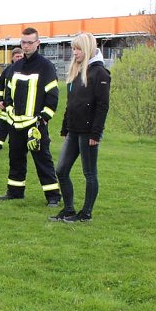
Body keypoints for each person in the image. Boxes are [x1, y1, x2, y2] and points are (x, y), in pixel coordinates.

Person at [0, 27, 61, 206]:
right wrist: (8, 106)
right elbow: (8, 89)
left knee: (43, 161)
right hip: (16, 123)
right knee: (15, 158)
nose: (26, 46)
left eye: (30, 42)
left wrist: (44, 118)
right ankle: (15, 192)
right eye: (23, 42)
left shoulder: (45, 66)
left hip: (35, 124)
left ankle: (53, 197)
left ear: (37, 43)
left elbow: (53, 96)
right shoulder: (15, 66)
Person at [50, 32, 110, 223]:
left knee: (89, 173)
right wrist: (65, 126)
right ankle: (68, 209)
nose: (74, 53)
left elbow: (102, 106)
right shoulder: (76, 71)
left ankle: (86, 213)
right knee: (61, 170)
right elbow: (71, 102)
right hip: (74, 130)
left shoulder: (100, 73)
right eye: (73, 49)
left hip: (88, 132)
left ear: (86, 48)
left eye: (77, 49)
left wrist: (96, 133)